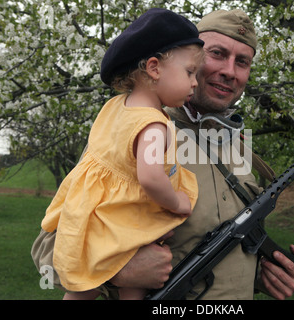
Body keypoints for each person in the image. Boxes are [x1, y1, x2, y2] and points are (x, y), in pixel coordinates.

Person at [32, 8, 294, 300]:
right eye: (217, 53)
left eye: (242, 61)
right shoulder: (137, 130)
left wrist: (264, 275)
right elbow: (48, 249)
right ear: (186, 57)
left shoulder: (237, 147)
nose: (229, 70)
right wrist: (119, 272)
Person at [36, 8, 204, 300]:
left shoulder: (116, 106)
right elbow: (151, 178)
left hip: (91, 210)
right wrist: (177, 201)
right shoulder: (152, 124)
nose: (195, 82)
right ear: (154, 68)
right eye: (190, 72)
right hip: (123, 217)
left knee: (82, 285)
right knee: (136, 284)